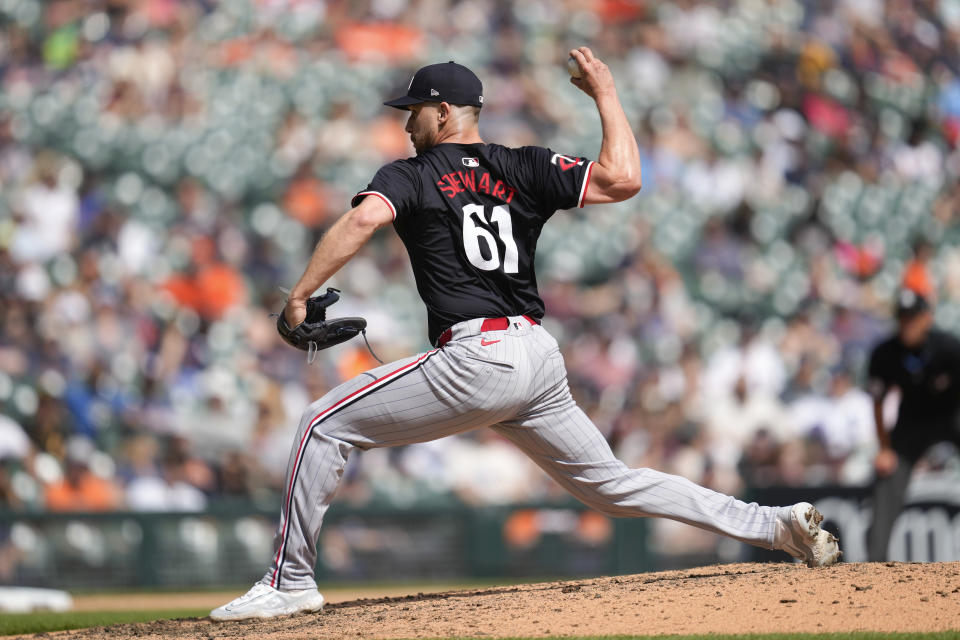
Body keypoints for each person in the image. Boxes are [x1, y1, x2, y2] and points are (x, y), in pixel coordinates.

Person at [211, 48, 840, 621]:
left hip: (477, 355)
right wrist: (606, 94)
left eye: (415, 112)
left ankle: (290, 580)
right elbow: (625, 179)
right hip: (537, 356)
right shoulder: (524, 165)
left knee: (322, 424)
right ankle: (776, 525)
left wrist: (297, 297)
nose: (407, 124)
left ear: (445, 111)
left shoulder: (412, 173)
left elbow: (363, 219)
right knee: (612, 484)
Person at [865, 291, 960, 561]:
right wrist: (884, 448)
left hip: (951, 416)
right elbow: (877, 403)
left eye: (913, 318)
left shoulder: (948, 347)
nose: (907, 324)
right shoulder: (885, 353)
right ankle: (875, 563)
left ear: (927, 318)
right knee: (887, 474)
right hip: (912, 422)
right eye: (902, 318)